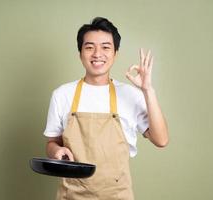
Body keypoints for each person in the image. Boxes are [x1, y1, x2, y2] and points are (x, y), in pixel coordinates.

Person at [43, 17, 168, 200]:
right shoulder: (62, 95)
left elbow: (161, 140)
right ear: (80, 53)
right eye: (89, 47)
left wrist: (148, 90)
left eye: (105, 47)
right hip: (71, 195)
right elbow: (52, 143)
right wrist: (56, 151)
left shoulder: (130, 95)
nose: (97, 53)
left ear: (115, 54)